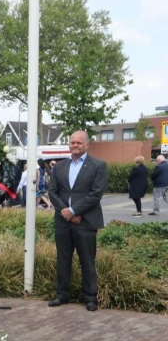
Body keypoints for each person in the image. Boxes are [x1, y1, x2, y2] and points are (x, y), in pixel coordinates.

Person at [47, 130, 108, 312]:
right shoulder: (59, 167)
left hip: (86, 221)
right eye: (72, 142)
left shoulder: (98, 165)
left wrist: (74, 210)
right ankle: (62, 295)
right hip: (63, 221)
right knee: (63, 259)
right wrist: (67, 213)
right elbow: (53, 192)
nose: (75, 145)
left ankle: (90, 298)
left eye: (78, 143)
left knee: (87, 261)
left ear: (87, 145)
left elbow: (96, 193)